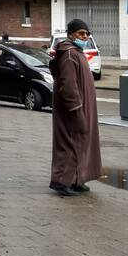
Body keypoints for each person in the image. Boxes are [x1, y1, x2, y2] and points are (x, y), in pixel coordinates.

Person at [48, 18, 102, 197]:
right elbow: (68, 86)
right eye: (80, 33)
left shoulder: (76, 52)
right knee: (70, 143)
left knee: (81, 143)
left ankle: (77, 180)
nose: (84, 36)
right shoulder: (70, 54)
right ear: (71, 34)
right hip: (73, 111)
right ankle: (62, 182)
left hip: (82, 109)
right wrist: (76, 109)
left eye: (86, 34)